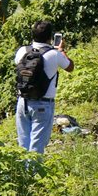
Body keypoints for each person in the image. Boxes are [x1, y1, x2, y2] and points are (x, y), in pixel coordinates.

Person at [14, 20, 73, 153]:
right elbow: (70, 67)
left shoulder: (22, 51)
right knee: (37, 148)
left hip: (23, 102)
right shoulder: (54, 54)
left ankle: (21, 172)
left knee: (23, 145)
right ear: (50, 37)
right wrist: (61, 50)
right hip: (43, 104)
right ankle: (32, 173)